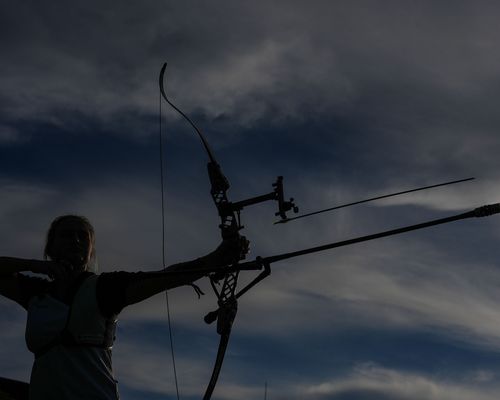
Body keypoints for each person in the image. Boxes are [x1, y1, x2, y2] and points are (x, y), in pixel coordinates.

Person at [0, 214, 245, 400]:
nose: (75, 240)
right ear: (50, 248)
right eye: (66, 235)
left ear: (90, 251)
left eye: (82, 236)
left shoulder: (105, 287)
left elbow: (163, 277)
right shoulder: (36, 293)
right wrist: (34, 265)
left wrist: (216, 258)